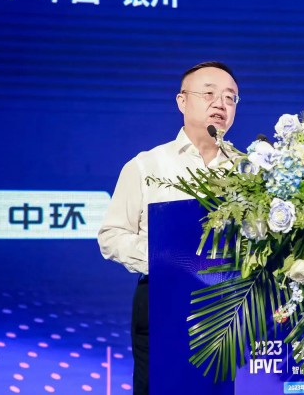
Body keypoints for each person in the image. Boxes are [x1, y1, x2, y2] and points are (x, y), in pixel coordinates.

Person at [97, 61, 240, 395]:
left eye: (230, 97)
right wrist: (165, 260)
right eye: (209, 94)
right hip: (162, 299)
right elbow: (111, 235)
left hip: (232, 304)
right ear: (182, 101)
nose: (220, 104)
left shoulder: (248, 170)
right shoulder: (147, 165)